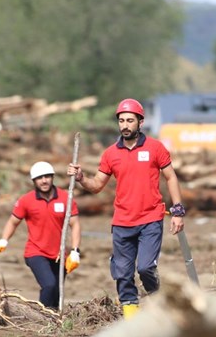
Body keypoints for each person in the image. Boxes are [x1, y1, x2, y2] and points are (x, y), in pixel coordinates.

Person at [67, 98, 185, 319]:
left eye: (130, 120)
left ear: (140, 122)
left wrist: (177, 210)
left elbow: (170, 177)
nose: (125, 125)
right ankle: (131, 317)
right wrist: (82, 178)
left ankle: (158, 297)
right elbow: (97, 185)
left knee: (145, 268)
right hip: (122, 222)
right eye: (121, 120)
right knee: (123, 274)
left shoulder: (155, 148)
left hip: (150, 219)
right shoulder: (111, 154)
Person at [0, 161, 81, 311]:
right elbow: (13, 222)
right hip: (36, 252)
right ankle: (42, 316)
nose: (44, 180)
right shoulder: (26, 200)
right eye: (40, 178)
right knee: (49, 284)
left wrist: (75, 251)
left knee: (57, 291)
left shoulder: (66, 198)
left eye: (47, 176)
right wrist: (3, 240)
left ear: (52, 177)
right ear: (34, 181)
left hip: (59, 254)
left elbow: (75, 224)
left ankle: (54, 321)